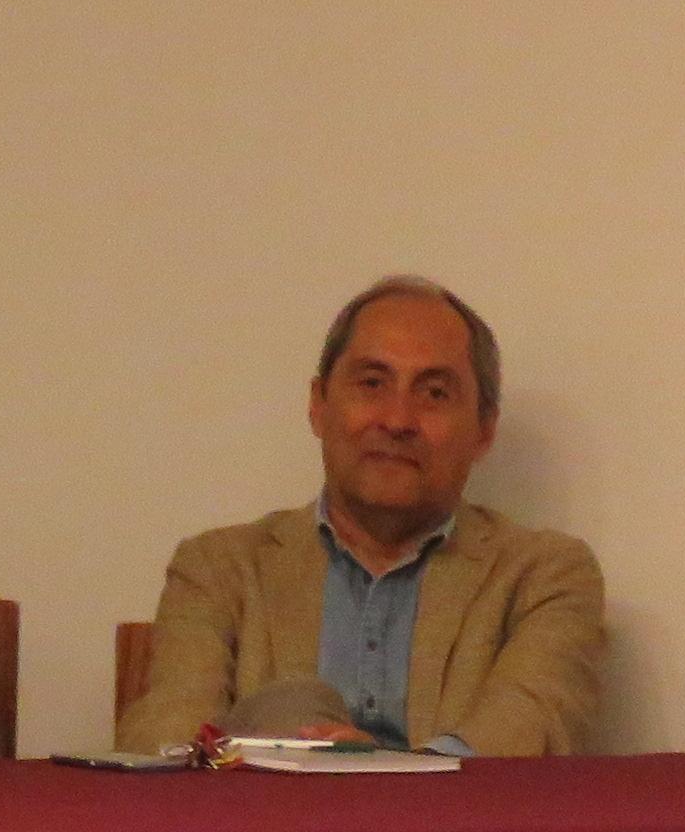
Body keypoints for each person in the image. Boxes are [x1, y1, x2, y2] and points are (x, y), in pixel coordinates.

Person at [115, 277, 604, 756]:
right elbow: (166, 741)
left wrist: (385, 774)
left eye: (434, 393)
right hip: (263, 830)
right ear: (318, 406)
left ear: (484, 430)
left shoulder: (545, 576)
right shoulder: (219, 569)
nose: (397, 420)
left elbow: (525, 733)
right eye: (372, 383)